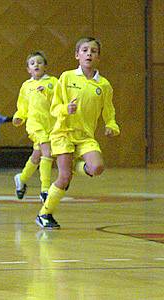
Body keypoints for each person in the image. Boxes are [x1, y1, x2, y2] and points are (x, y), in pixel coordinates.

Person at [35, 37, 120, 229]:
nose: (89, 53)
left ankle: (75, 167)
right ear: (77, 55)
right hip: (63, 133)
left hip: (85, 136)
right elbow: (54, 108)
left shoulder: (104, 85)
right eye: (84, 50)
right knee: (64, 177)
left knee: (97, 167)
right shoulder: (66, 77)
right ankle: (45, 214)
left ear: (98, 57)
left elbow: (109, 111)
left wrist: (112, 125)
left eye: (93, 51)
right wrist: (66, 109)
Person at [12, 51, 58, 202]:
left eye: (39, 62)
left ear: (45, 66)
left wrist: (48, 92)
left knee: (37, 155)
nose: (36, 65)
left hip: (51, 124)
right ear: (28, 69)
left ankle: (22, 178)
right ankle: (45, 189)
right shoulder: (26, 86)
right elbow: (22, 106)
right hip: (34, 125)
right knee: (47, 152)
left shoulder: (53, 82)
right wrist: (19, 116)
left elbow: (59, 100)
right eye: (32, 63)